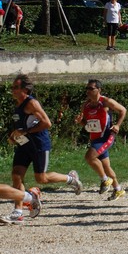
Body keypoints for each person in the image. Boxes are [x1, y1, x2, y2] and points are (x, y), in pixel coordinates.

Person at [1, 74, 83, 224]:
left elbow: (47, 123)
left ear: (25, 89)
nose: (12, 90)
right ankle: (18, 212)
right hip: (24, 145)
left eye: (15, 87)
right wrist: (14, 136)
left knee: (41, 178)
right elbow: (22, 125)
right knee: (16, 175)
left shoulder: (31, 103)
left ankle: (71, 179)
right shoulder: (18, 105)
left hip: (38, 144)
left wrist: (25, 132)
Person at [75, 79, 127, 201]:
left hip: (106, 137)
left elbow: (123, 110)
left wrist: (118, 125)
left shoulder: (105, 102)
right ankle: (118, 189)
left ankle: (105, 179)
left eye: (91, 89)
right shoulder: (86, 105)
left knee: (89, 157)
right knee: (106, 166)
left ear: (99, 90)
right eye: (87, 89)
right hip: (94, 138)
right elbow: (87, 124)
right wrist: (80, 122)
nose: (88, 91)